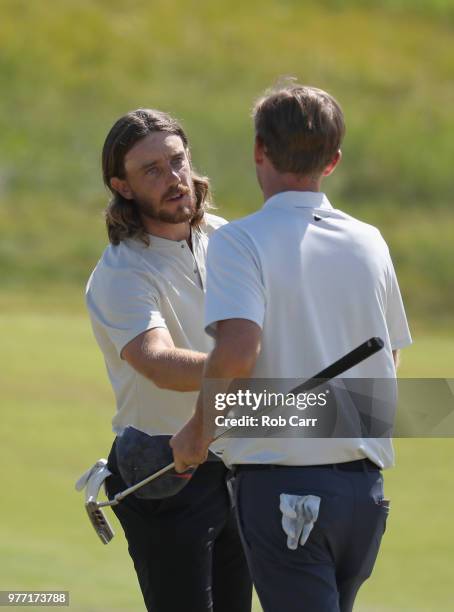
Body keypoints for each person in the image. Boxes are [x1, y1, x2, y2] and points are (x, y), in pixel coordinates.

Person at [171, 84, 412, 612]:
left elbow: (237, 350)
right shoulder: (370, 239)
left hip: (286, 494)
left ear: (259, 149)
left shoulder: (239, 240)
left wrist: (198, 430)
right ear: (334, 160)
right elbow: (388, 361)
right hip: (364, 494)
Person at [85, 108, 252, 612]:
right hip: (164, 472)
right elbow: (155, 360)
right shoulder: (120, 272)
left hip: (239, 462)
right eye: (151, 170)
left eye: (177, 161)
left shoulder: (229, 240)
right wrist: (246, 372)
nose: (173, 178)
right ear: (123, 186)